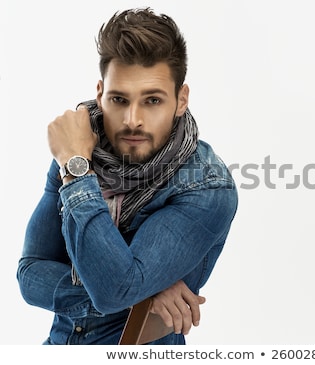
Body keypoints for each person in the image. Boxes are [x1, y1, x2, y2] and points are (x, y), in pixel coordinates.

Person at [16, 7, 238, 345]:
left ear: (181, 100)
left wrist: (127, 289)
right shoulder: (78, 152)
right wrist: (145, 296)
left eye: (152, 100)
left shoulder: (205, 187)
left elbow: (114, 290)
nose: (132, 119)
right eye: (119, 99)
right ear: (100, 93)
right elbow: (30, 274)